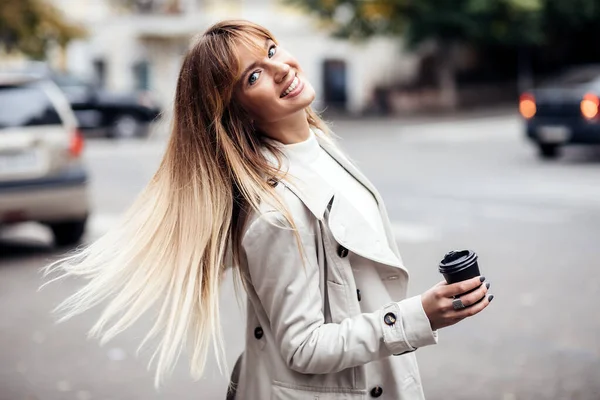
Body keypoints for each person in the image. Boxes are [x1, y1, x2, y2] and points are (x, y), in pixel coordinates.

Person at [43, 20, 493, 399]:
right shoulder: (275, 213)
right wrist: (419, 316)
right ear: (235, 112)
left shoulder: (318, 148)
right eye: (253, 77)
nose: (281, 69)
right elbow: (304, 347)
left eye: (272, 50)